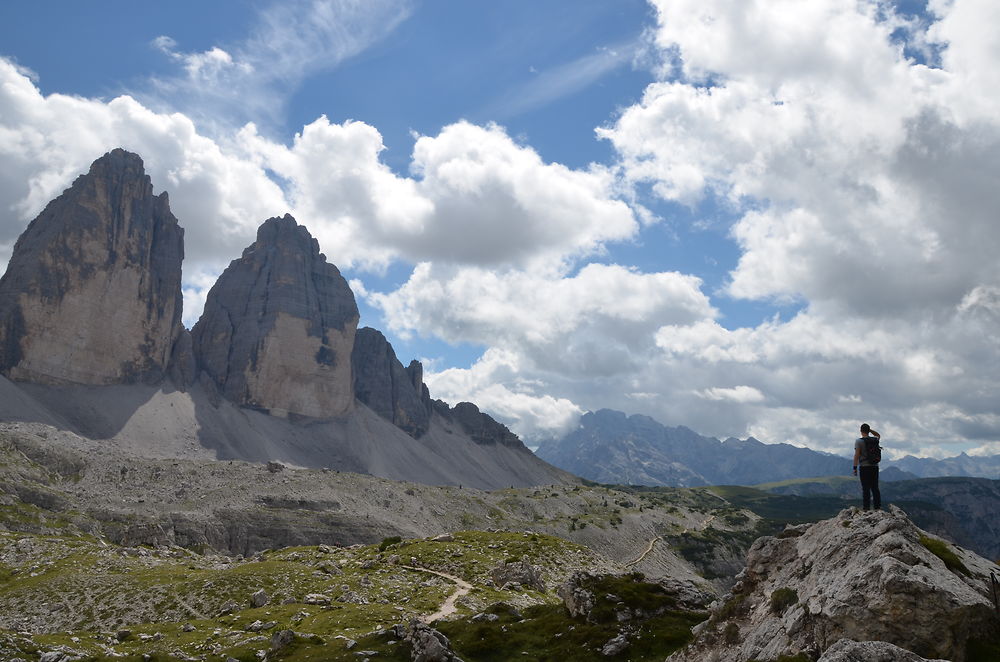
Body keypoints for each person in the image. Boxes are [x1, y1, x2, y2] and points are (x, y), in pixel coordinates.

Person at [853, 423, 881, 510]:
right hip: (875, 466)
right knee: (875, 487)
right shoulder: (875, 440)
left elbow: (857, 455)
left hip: (864, 467)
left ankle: (866, 508)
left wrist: (855, 468)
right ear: (868, 431)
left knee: (866, 488)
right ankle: (877, 507)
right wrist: (870, 430)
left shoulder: (859, 441)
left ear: (861, 431)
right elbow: (878, 435)